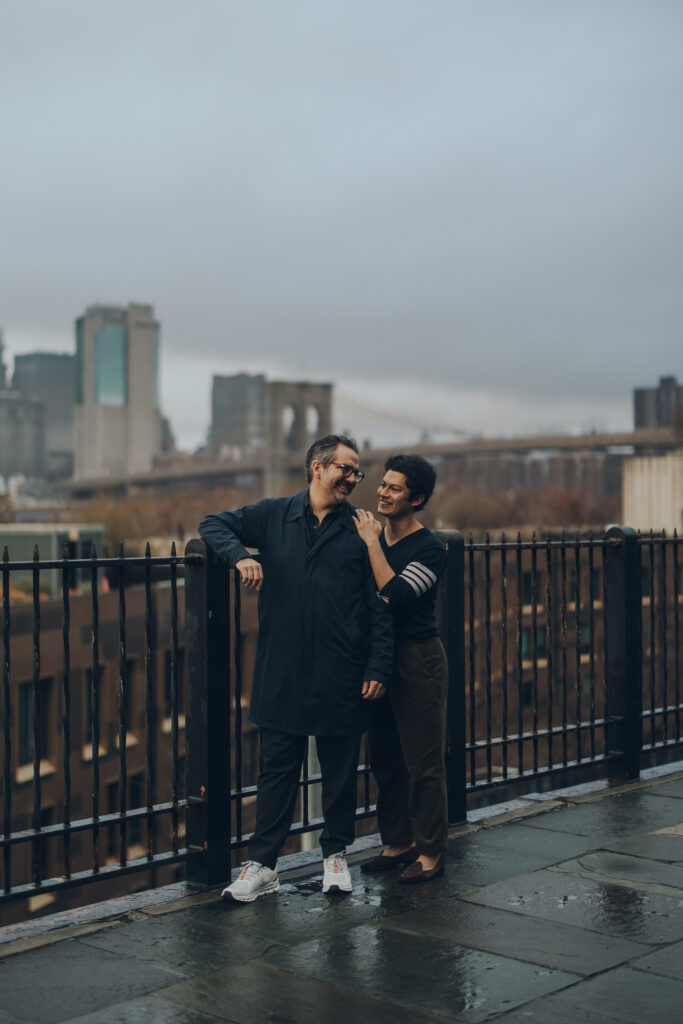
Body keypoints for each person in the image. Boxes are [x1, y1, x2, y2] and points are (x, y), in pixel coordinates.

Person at [198, 434, 393, 902]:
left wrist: (378, 666)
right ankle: (263, 866)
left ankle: (335, 857)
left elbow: (379, 606)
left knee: (340, 772)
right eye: (345, 468)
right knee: (276, 773)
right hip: (281, 669)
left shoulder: (364, 529)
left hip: (342, 669)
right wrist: (242, 556)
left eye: (356, 471)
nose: (353, 477)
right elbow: (212, 524)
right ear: (317, 468)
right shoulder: (271, 515)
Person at [353, 453, 448, 883]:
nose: (383, 492)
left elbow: (392, 595)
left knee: (422, 761)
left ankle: (430, 852)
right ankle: (397, 842)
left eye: (394, 488)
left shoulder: (430, 548)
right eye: (383, 484)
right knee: (385, 759)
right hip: (378, 657)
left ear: (418, 498)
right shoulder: (373, 535)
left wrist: (373, 543)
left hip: (418, 659)